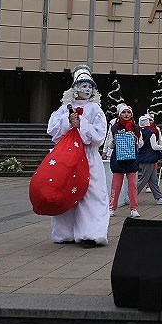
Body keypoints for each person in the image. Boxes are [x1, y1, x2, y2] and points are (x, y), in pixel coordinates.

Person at [46, 65, 109, 247]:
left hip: (88, 157)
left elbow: (98, 136)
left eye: (90, 87)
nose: (87, 90)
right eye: (83, 86)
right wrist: (68, 122)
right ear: (75, 88)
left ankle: (91, 233)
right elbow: (53, 131)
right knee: (65, 191)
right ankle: (64, 233)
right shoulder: (64, 109)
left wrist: (82, 125)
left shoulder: (96, 110)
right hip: (68, 157)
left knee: (91, 194)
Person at [103, 103, 142, 218]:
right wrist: (114, 141)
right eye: (123, 112)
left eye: (128, 112)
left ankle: (134, 208)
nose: (126, 114)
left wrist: (136, 140)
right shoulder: (115, 127)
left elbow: (141, 144)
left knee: (133, 185)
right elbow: (109, 143)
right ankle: (112, 207)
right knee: (116, 185)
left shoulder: (136, 128)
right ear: (119, 114)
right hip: (118, 160)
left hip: (132, 160)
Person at [136, 113, 162, 206]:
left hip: (144, 157)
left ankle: (159, 197)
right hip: (150, 158)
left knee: (153, 179)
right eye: (149, 120)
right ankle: (131, 195)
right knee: (144, 179)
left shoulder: (140, 132)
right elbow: (154, 146)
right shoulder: (151, 133)